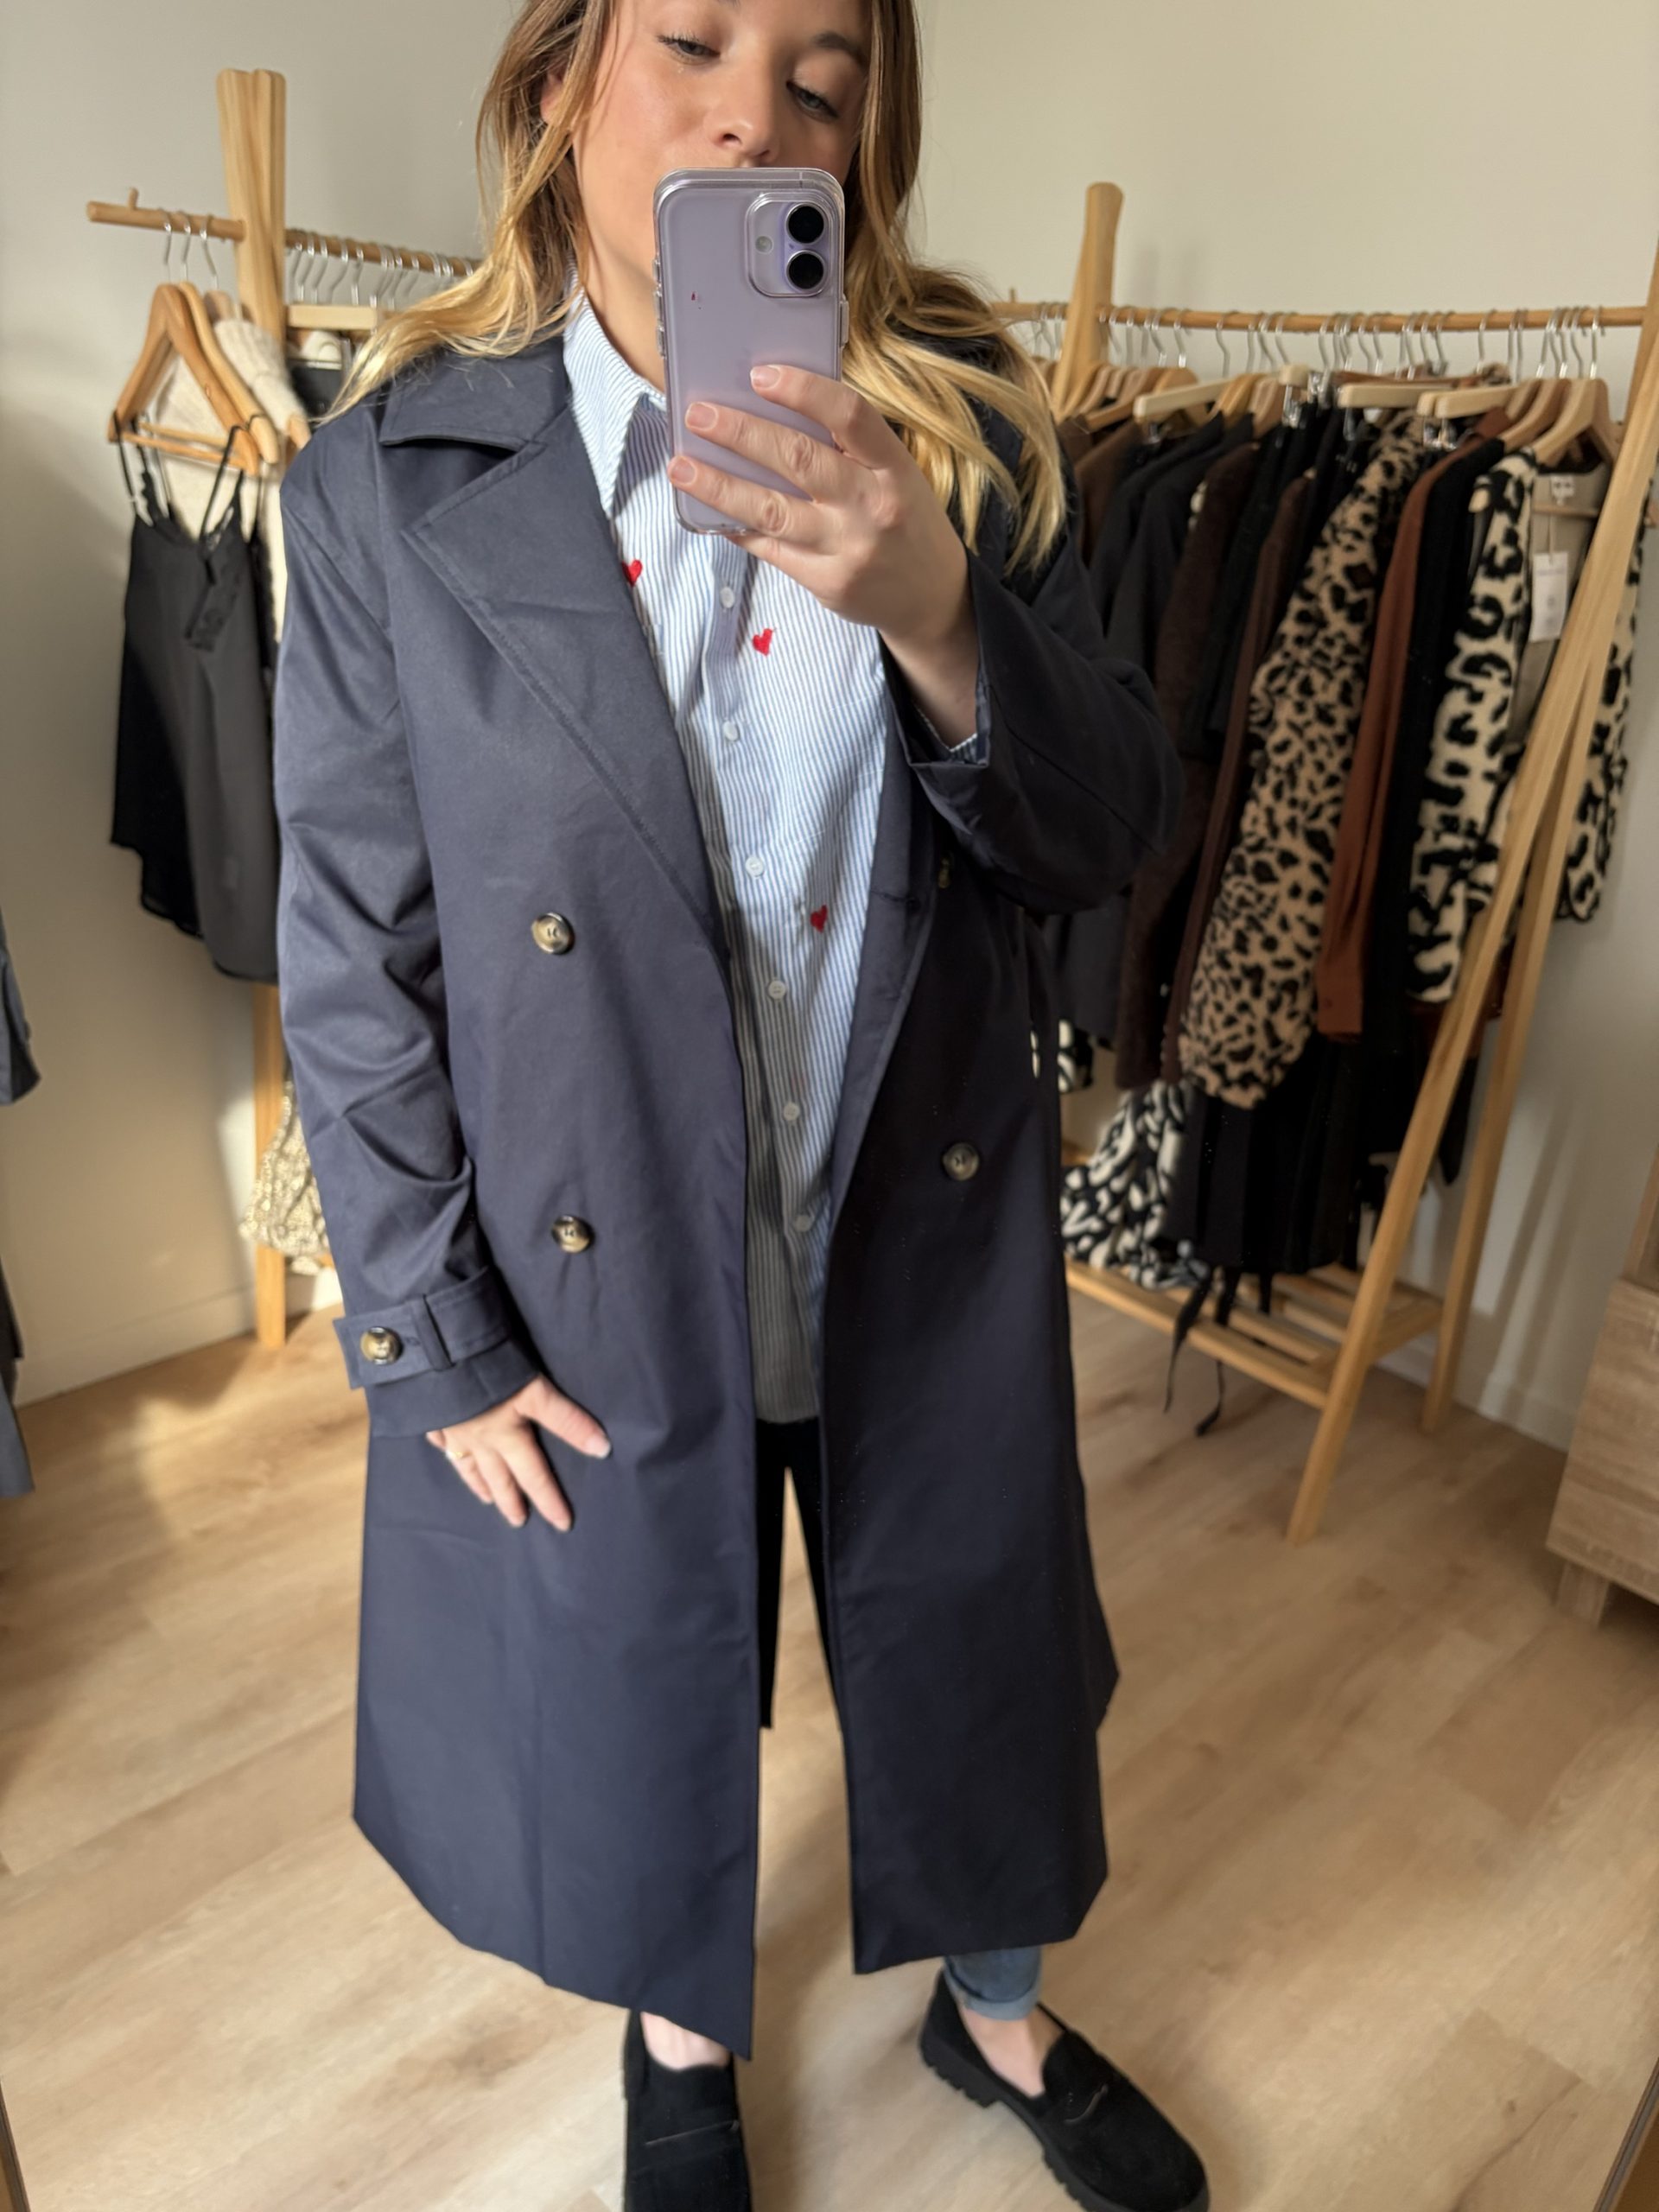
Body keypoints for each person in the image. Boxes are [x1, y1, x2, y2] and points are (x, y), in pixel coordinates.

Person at [271, 1, 1205, 2206]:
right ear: (561, 80)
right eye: (687, 35)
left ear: (871, 131)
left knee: (967, 1657)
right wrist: (429, 1329)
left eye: (824, 76)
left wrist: (939, 607)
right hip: (604, 1255)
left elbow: (1110, 832)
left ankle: (998, 2009)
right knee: (646, 1675)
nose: (751, 112)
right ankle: (682, 2037)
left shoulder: (973, 440)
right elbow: (355, 950)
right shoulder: (391, 480)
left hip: (911, 1231)